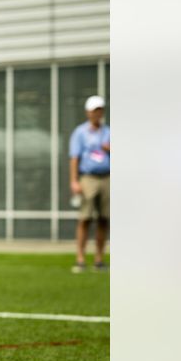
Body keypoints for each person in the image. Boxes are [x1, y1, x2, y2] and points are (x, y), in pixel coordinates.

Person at [70, 95, 111, 273]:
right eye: (95, 110)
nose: (98, 113)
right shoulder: (80, 132)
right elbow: (74, 157)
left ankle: (99, 259)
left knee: (104, 219)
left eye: (100, 109)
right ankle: (80, 258)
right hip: (88, 177)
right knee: (85, 218)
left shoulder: (109, 131)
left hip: (107, 177)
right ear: (88, 112)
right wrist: (74, 180)